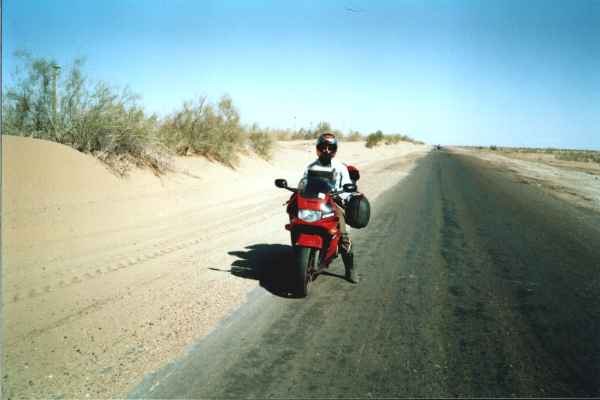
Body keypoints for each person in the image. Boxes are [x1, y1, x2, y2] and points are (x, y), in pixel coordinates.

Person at [304, 132, 358, 283]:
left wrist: (345, 195)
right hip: (314, 202)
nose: (326, 150)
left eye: (330, 147)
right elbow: (304, 183)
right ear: (318, 148)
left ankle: (350, 269)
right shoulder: (311, 167)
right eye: (323, 147)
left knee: (343, 234)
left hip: (333, 203)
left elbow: (349, 189)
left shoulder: (340, 168)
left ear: (334, 150)